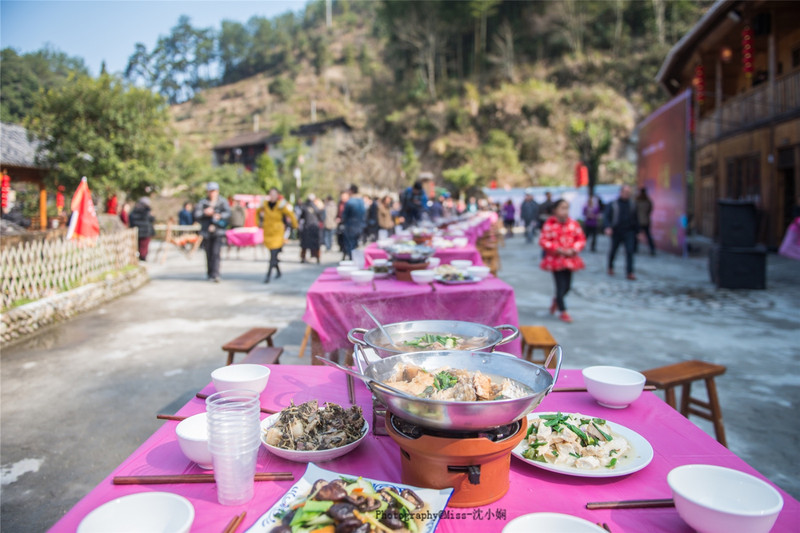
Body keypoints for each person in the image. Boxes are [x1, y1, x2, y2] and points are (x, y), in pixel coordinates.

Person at [539, 199, 586, 323]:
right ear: (555, 210)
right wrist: (557, 249)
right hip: (556, 260)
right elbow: (543, 241)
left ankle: (557, 301)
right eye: (562, 208)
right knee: (560, 286)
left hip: (570, 259)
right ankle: (563, 310)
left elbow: (580, 239)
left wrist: (574, 249)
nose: (565, 211)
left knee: (567, 287)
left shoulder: (573, 224)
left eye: (567, 208)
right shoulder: (549, 224)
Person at [194, 182, 231, 282]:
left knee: (216, 253)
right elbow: (196, 214)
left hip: (218, 231)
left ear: (217, 191)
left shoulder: (222, 202)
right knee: (208, 253)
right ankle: (210, 273)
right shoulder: (203, 202)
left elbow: (228, 213)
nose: (212, 193)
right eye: (210, 191)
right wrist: (205, 213)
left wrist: (219, 215)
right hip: (206, 231)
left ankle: (215, 274)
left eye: (214, 191)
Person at [260, 187, 297, 283]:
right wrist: (258, 223)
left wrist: (295, 225)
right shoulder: (264, 204)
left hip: (277, 233)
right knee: (273, 255)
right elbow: (257, 212)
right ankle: (279, 272)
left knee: (273, 255)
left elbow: (290, 214)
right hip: (268, 233)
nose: (272, 196)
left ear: (277, 195)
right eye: (271, 194)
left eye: (274, 194)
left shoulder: (281, 205)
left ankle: (268, 276)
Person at [604, 184, 639, 280]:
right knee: (614, 250)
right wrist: (608, 227)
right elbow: (607, 217)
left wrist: (638, 231)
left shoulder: (632, 205)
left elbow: (636, 219)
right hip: (616, 231)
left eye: (628, 192)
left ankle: (630, 272)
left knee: (630, 251)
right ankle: (610, 267)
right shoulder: (613, 204)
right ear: (620, 192)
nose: (626, 194)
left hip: (629, 231)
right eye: (625, 192)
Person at [341, 184, 366, 260]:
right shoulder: (361, 201)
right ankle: (356, 259)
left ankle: (352, 260)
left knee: (350, 245)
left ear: (351, 191)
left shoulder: (350, 202)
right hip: (360, 226)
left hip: (351, 226)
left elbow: (344, 216)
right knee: (356, 244)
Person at [128, 197, 155, 261]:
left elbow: (131, 218)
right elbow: (151, 219)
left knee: (139, 245)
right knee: (144, 245)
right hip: (146, 231)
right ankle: (142, 257)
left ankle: (139, 256)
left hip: (137, 230)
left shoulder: (134, 210)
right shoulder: (146, 211)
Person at [299, 194, 323, 263]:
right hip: (314, 227)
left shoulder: (304, 206)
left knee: (305, 245)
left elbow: (301, 217)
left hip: (307, 227)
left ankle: (303, 257)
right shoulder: (316, 207)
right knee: (315, 244)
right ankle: (317, 257)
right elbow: (320, 216)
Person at [635, 187, 656, 256]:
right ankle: (652, 249)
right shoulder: (648, 201)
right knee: (648, 236)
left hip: (639, 221)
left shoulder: (637, 201)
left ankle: (634, 249)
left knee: (637, 236)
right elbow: (650, 210)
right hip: (646, 221)